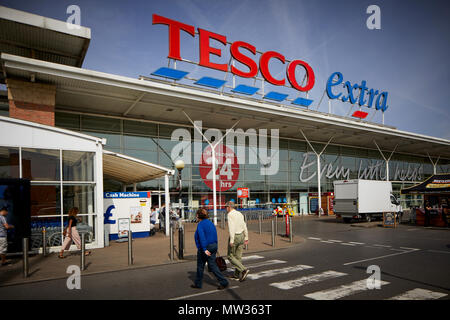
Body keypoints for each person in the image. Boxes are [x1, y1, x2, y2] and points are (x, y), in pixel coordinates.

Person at [192, 208, 229, 290]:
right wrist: (215, 246)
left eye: (196, 215)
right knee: (212, 265)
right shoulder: (210, 223)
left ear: (198, 216)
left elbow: (202, 237)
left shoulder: (200, 224)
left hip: (205, 247)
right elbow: (214, 235)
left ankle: (198, 284)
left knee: (200, 266)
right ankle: (224, 282)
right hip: (213, 245)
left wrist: (204, 249)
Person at [225, 201, 250, 282]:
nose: (226, 209)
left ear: (229, 207)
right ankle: (236, 275)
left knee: (230, 256)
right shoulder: (239, 213)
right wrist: (246, 237)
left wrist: (231, 240)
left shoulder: (230, 215)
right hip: (241, 236)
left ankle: (243, 270)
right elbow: (244, 225)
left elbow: (231, 228)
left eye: (226, 207)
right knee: (238, 257)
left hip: (235, 236)